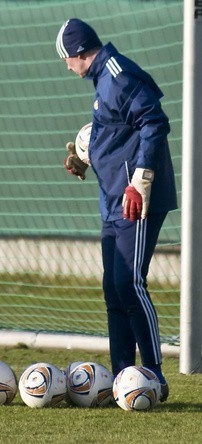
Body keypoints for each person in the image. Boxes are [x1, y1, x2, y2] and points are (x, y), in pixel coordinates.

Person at [57, 19, 177, 401]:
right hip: (111, 199)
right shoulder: (103, 81)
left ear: (78, 53)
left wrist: (140, 179)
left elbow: (154, 121)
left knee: (129, 284)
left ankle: (154, 376)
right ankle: (125, 377)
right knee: (113, 288)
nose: (66, 66)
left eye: (65, 58)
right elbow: (115, 135)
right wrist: (83, 160)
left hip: (134, 200)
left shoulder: (116, 74)